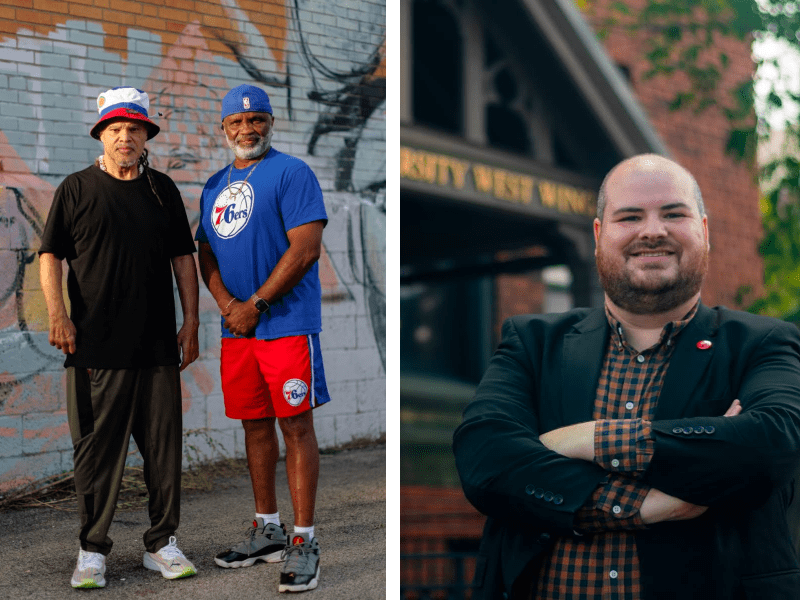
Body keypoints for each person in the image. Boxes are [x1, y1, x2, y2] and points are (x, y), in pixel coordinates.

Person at [453, 154, 800, 599]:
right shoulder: (532, 341)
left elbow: (771, 445)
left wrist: (588, 440)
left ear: (704, 232)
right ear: (599, 236)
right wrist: (648, 505)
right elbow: (484, 458)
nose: (652, 230)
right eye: (630, 216)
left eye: (673, 214)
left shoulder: (762, 342)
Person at [39, 87, 200, 589]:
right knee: (96, 453)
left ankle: (162, 543)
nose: (125, 137)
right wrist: (58, 315)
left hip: (156, 346)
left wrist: (191, 322)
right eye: (116, 129)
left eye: (134, 129)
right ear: (101, 135)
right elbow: (50, 256)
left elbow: (182, 260)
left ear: (146, 135)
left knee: (163, 451)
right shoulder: (76, 188)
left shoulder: (162, 190)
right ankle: (92, 550)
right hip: (95, 347)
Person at [196, 84, 330, 593]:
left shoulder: (292, 173)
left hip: (286, 324)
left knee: (295, 425)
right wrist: (229, 307)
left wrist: (256, 305)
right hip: (239, 329)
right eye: (237, 122)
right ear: (224, 128)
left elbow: (305, 250)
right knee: (254, 425)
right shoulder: (213, 185)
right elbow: (204, 252)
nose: (247, 130)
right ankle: (267, 529)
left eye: (257, 121)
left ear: (270, 124)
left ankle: (303, 540)